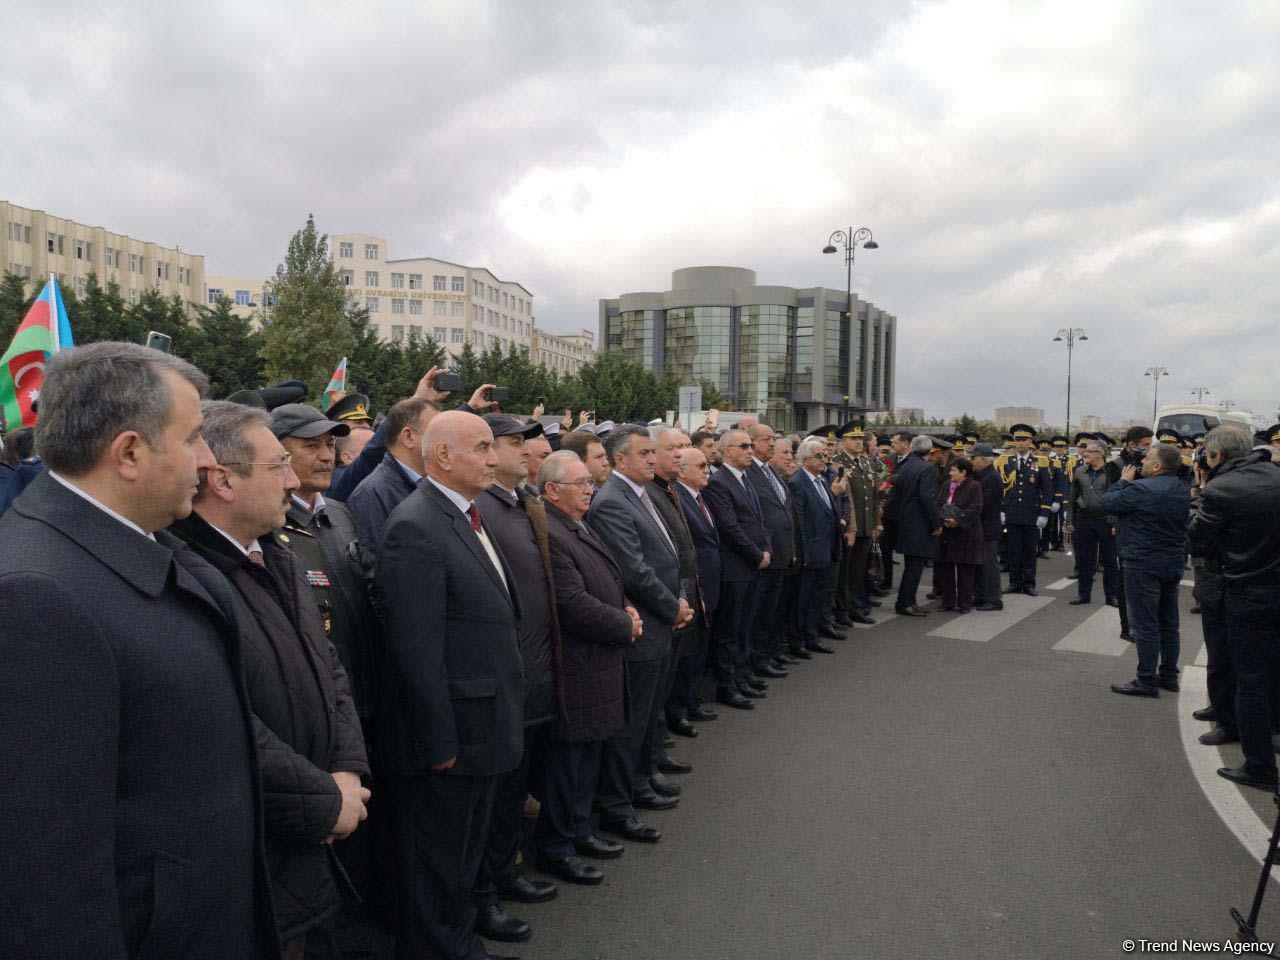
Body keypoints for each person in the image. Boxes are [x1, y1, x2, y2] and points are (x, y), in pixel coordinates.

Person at [0, 342, 279, 959]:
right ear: (128, 453)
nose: (207, 462)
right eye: (192, 439)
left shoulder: (143, 545)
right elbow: (47, 875)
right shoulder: (35, 597)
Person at [170, 401, 371, 958]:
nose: (292, 481)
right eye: (277, 465)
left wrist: (348, 769)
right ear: (223, 481)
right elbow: (226, 723)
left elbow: (329, 668)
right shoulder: (186, 572)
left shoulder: (275, 555)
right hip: (265, 841)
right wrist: (323, 800)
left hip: (318, 820)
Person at [375, 411, 526, 960]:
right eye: (483, 447)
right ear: (442, 457)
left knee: (463, 852)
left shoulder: (463, 514)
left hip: (481, 726)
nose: (495, 458)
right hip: (451, 740)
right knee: (438, 859)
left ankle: (455, 938)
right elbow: (414, 650)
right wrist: (437, 742)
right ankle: (439, 947)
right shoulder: (416, 525)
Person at [270, 402, 389, 954]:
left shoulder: (337, 513)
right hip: (315, 718)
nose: (325, 454)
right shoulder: (274, 525)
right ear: (279, 453)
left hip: (361, 702)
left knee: (366, 838)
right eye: (309, 444)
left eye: (329, 444)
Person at [471, 413, 562, 944]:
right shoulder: (480, 507)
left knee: (511, 790)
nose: (526, 451)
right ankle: (487, 888)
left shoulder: (517, 501)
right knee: (494, 795)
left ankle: (504, 872)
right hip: (505, 675)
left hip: (531, 669)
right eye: (512, 443)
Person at [587, 424, 693, 843]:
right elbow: (634, 571)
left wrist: (679, 601)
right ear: (619, 460)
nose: (654, 460)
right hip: (645, 626)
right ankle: (618, 803)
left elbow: (670, 556)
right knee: (631, 722)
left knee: (650, 714)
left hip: (664, 620)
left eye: (654, 453)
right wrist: (672, 608)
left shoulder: (642, 493)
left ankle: (644, 778)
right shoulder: (613, 502)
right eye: (645, 454)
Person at [535, 451, 638, 882]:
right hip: (579, 667)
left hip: (600, 663)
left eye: (588, 482)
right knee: (568, 763)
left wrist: (627, 608)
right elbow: (572, 604)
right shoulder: (553, 534)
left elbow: (610, 581)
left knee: (589, 753)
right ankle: (557, 845)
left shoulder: (578, 524)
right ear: (551, 491)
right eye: (579, 484)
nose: (589, 489)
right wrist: (624, 623)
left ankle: (579, 830)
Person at [1187, 426, 1280, 789]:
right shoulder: (1275, 474)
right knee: (1271, 668)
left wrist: (1199, 491)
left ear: (1215, 456)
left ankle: (1259, 766)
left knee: (1250, 680)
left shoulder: (1220, 490)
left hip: (1246, 589)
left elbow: (1196, 537)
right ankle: (1269, 731)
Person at [1102, 443, 1191, 699]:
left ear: (1158, 466)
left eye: (1147, 459)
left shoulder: (1140, 488)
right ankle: (1169, 676)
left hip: (1143, 563)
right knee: (1169, 623)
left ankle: (1146, 679)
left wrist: (1122, 482)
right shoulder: (1182, 488)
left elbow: (1108, 503)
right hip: (1172, 561)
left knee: (1146, 624)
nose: (1142, 463)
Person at [645, 427, 702, 792]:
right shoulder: (648, 491)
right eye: (673, 448)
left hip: (677, 597)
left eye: (685, 446)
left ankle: (656, 752)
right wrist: (673, 603)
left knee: (663, 688)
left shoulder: (666, 489)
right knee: (650, 698)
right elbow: (641, 565)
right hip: (663, 605)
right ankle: (647, 764)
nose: (682, 454)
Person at [704, 428, 773, 705]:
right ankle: (727, 684)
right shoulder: (720, 482)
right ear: (727, 450)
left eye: (750, 445)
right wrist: (756, 553)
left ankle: (741, 675)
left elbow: (759, 520)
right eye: (744, 446)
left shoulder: (745, 479)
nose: (750, 450)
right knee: (729, 631)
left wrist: (766, 548)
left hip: (753, 564)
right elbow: (730, 527)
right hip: (735, 568)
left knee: (746, 626)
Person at [344, 397, 439, 564]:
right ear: (408, 437)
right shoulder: (372, 494)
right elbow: (376, 568)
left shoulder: (432, 484)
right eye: (436, 433)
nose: (445, 442)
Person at [670, 445, 723, 723]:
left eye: (707, 464)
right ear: (682, 471)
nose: (707, 469)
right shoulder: (678, 498)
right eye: (701, 465)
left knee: (701, 648)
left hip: (709, 586)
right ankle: (680, 710)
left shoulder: (701, 497)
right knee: (689, 653)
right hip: (694, 589)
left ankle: (691, 701)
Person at [745, 422, 799, 672]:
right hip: (764, 555)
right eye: (767, 439)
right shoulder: (749, 472)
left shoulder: (772, 471)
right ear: (752, 442)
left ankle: (768, 653)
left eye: (773, 438)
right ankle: (757, 659)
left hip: (782, 554)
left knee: (773, 611)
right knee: (758, 614)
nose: (772, 442)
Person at [788, 438, 842, 656]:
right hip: (810, 553)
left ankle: (812, 636)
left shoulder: (821, 481)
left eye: (825, 456)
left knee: (817, 598)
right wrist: (805, 554)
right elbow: (799, 521)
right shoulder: (798, 482)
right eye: (819, 456)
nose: (824, 460)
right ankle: (797, 640)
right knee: (802, 600)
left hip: (826, 550)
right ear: (805, 460)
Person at [831, 423, 879, 626]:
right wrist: (848, 526)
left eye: (860, 439)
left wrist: (876, 524)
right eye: (853, 438)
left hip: (866, 526)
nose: (859, 442)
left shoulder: (866, 463)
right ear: (843, 441)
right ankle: (842, 610)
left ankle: (854, 607)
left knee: (859, 571)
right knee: (845, 572)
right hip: (851, 527)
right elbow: (842, 499)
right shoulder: (837, 463)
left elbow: (873, 497)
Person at [997, 424, 1052, 596]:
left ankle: (1029, 583)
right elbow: (1000, 488)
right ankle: (1014, 582)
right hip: (1012, 514)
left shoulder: (1040, 462)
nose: (1020, 443)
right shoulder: (1006, 461)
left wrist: (1044, 513)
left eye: (1024, 440)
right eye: (1017, 440)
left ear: (1030, 442)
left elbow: (1047, 490)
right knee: (1014, 551)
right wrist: (1001, 510)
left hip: (1031, 514)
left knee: (1029, 551)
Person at [1064, 438, 1120, 607]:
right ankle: (1083, 594)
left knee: (1110, 561)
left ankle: (1111, 596)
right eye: (1085, 451)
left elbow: (1118, 499)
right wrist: (1069, 520)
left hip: (1105, 521)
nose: (1085, 453)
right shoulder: (1080, 471)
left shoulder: (1112, 473)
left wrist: (1115, 523)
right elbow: (1072, 497)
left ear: (1100, 454)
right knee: (1083, 559)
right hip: (1084, 520)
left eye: (1089, 451)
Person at [892, 435, 943, 616]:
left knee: (912, 566)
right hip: (919, 524)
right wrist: (936, 523)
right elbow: (928, 498)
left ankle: (909, 601)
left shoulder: (907, 466)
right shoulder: (927, 468)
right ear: (929, 450)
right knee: (914, 567)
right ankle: (905, 603)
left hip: (906, 521)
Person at [936, 457, 984, 613]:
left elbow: (975, 508)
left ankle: (965, 603)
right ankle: (947, 601)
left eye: (953, 470)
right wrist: (942, 519)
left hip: (965, 533)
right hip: (947, 533)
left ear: (963, 472)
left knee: (965, 570)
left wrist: (957, 520)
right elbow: (938, 503)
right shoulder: (946, 485)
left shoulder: (974, 486)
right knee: (946, 568)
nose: (950, 473)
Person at [969, 444, 1004, 611]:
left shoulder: (992, 477)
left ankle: (994, 599)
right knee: (979, 565)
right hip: (980, 528)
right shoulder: (980, 475)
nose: (971, 461)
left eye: (974, 458)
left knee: (989, 566)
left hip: (988, 528)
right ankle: (981, 596)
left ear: (983, 459)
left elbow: (983, 504)